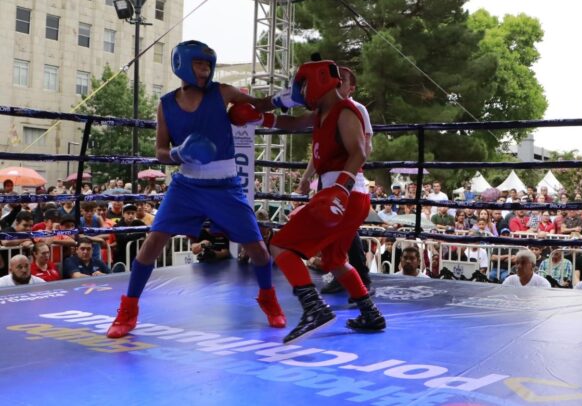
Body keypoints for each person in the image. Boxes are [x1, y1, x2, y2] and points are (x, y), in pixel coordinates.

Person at [106, 40, 285, 339]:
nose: (205, 70)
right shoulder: (165, 104)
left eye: (208, 65)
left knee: (257, 248)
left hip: (225, 184)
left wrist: (287, 99)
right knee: (152, 243)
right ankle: (128, 309)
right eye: (199, 64)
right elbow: (161, 151)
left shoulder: (222, 92)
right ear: (183, 64)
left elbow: (258, 104)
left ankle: (269, 300)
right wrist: (179, 153)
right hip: (187, 184)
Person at [229, 58, 385, 343]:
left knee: (279, 245)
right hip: (347, 195)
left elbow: (360, 152)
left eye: (303, 84)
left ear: (319, 81)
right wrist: (259, 118)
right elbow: (292, 122)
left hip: (344, 193)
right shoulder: (323, 113)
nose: (301, 92)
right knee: (336, 258)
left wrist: (340, 188)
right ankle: (370, 313)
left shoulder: (345, 110)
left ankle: (314, 308)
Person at [295, 66, 375, 298]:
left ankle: (361, 281)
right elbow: (318, 152)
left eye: (342, 81)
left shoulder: (354, 108)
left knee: (346, 232)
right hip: (328, 179)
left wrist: (350, 175)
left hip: (344, 180)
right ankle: (346, 279)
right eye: (335, 80)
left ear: (351, 87)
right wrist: (306, 178)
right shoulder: (324, 111)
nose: (336, 84)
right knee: (336, 234)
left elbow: (364, 146)